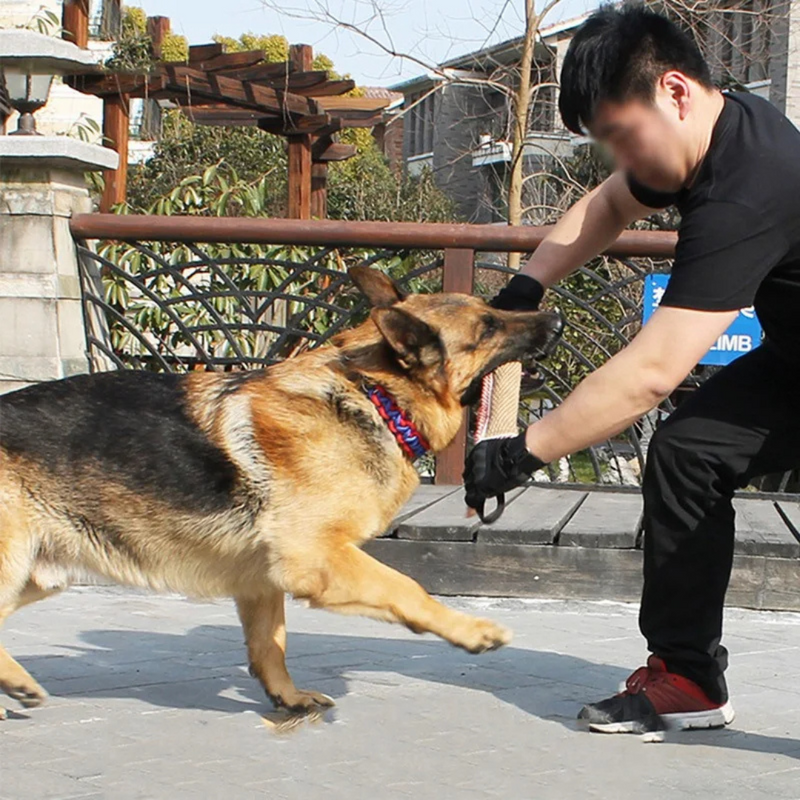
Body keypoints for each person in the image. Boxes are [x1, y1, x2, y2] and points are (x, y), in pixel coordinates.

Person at [464, 3, 800, 735]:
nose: (623, 159)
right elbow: (611, 203)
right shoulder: (698, 139)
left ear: (674, 91)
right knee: (687, 453)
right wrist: (527, 286)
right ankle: (689, 678)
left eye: (622, 136)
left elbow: (653, 371)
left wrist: (521, 453)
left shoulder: (750, 185)